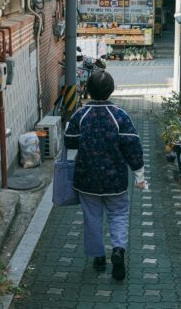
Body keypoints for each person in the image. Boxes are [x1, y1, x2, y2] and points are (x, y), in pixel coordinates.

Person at [64, 71, 145, 281]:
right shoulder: (120, 115)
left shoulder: (80, 115)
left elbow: (69, 141)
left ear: (88, 90)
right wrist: (139, 175)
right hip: (116, 180)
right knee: (118, 215)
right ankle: (118, 250)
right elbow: (133, 146)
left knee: (92, 218)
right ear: (111, 90)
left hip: (86, 179)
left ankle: (98, 257)